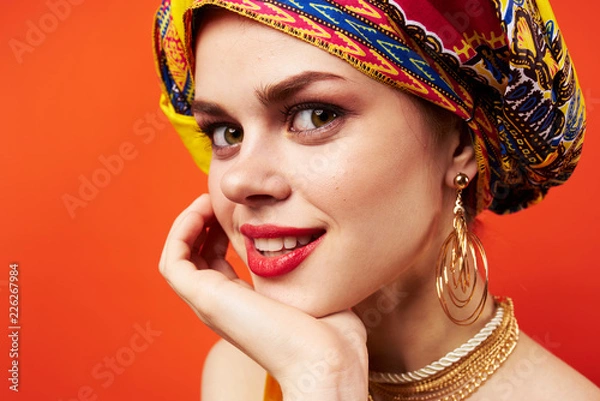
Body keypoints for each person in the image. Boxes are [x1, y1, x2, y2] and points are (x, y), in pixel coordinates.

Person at [153, 0, 600, 400]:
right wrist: (322, 376)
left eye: (316, 115)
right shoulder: (240, 378)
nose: (239, 182)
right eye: (226, 133)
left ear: (461, 146)